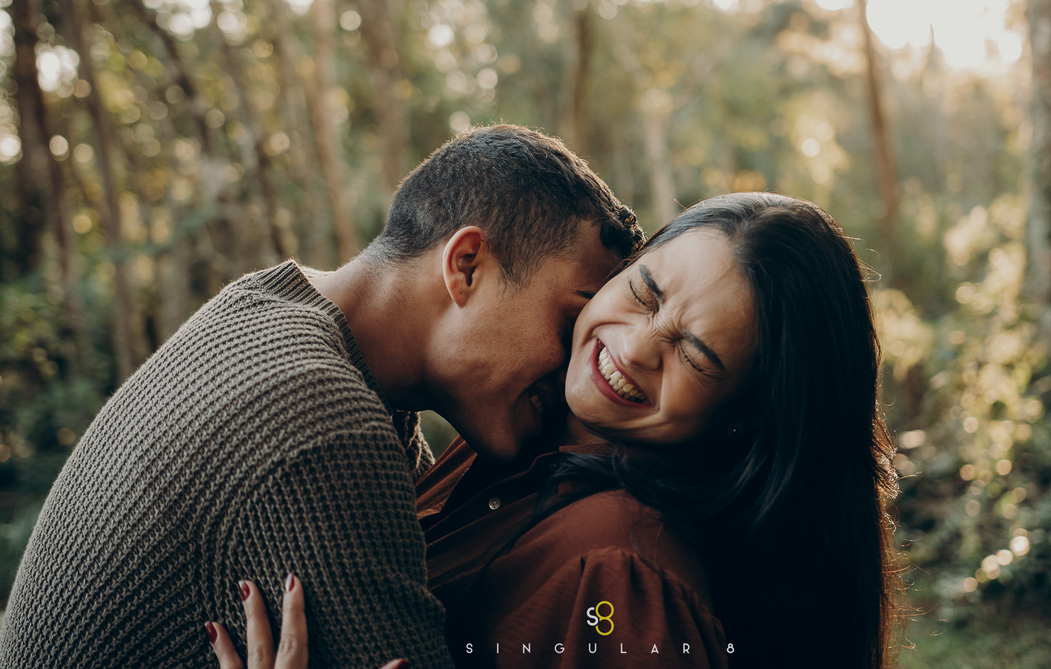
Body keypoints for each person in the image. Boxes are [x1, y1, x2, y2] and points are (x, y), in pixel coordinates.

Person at [0, 125, 644, 669]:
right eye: (571, 322)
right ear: (466, 264)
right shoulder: (318, 419)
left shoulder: (268, 304)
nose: (573, 369)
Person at [213, 193, 902, 669]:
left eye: (696, 353)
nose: (635, 347)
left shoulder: (622, 578)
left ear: (743, 418)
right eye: (645, 293)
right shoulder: (524, 427)